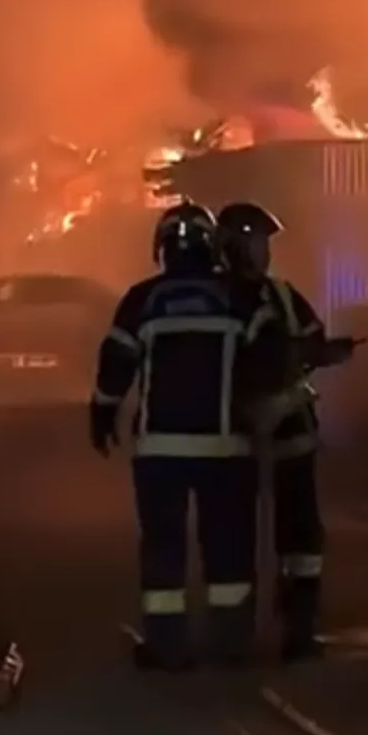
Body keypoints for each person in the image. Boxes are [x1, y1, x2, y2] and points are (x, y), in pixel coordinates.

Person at [89, 201, 273, 670]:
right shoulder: (238, 297)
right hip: (227, 449)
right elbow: (267, 366)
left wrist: (103, 413)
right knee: (228, 546)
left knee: (164, 547)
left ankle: (166, 645)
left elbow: (115, 364)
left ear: (162, 248)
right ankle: (232, 643)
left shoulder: (142, 300)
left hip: (160, 450)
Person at [216, 201, 358, 662]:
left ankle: (300, 626)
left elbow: (310, 341)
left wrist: (326, 351)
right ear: (235, 245)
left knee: (301, 536)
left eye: (266, 242)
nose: (265, 251)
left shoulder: (282, 295)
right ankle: (233, 634)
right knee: (234, 535)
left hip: (290, 433)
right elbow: (239, 360)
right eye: (257, 241)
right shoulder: (217, 297)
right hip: (235, 436)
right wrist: (292, 355)